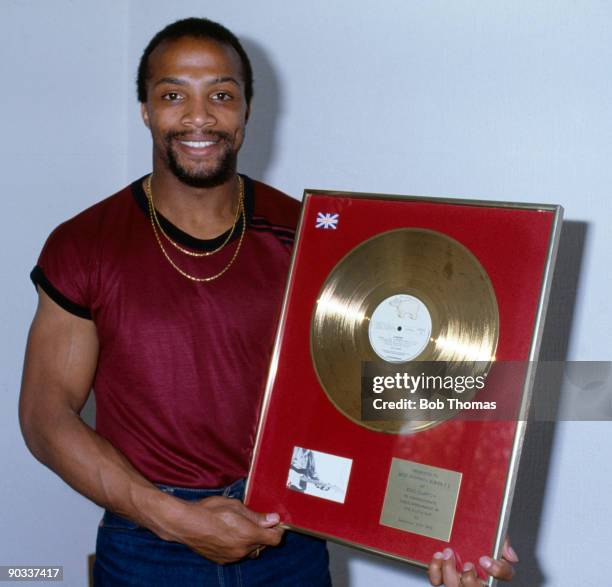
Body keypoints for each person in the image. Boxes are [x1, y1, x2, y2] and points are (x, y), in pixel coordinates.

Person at [19, 17, 516, 587]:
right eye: (173, 95)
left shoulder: (310, 236)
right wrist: (173, 519)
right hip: (147, 541)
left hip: (289, 532)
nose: (199, 116)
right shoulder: (85, 244)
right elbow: (44, 415)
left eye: (222, 95)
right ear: (145, 110)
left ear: (247, 109)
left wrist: (467, 523)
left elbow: (377, 386)